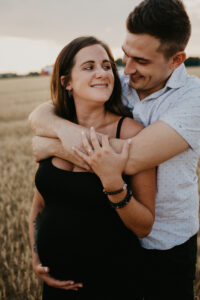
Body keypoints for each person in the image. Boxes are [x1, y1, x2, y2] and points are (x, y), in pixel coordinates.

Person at [29, 1, 200, 299]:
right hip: (115, 242)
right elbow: (43, 112)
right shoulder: (121, 81)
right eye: (124, 55)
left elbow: (128, 159)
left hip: (166, 247)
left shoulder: (193, 102)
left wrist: (48, 144)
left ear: (176, 60)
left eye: (141, 61)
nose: (127, 69)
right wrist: (58, 129)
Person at [29, 36, 156, 300]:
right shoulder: (54, 130)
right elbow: (40, 205)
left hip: (112, 281)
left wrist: (113, 185)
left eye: (107, 66)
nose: (102, 73)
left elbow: (144, 226)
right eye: (89, 67)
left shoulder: (132, 133)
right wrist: (35, 254)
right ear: (67, 82)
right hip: (58, 285)